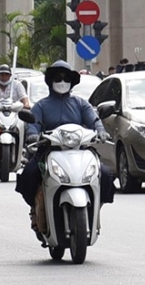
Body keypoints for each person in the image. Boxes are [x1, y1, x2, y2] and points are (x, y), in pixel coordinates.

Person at [15, 60, 112, 221]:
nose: (62, 82)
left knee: (106, 174)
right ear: (50, 81)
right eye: (58, 78)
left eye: (66, 78)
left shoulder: (81, 104)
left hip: (80, 151)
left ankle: (96, 207)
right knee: (29, 174)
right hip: (48, 152)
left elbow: (94, 120)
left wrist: (101, 131)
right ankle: (36, 209)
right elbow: (33, 124)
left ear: (72, 82)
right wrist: (33, 134)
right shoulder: (41, 106)